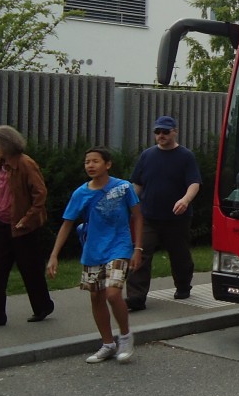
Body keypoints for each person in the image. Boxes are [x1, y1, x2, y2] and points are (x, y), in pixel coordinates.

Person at [47, 147, 143, 363]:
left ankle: (125, 336)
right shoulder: (80, 193)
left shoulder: (123, 188)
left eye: (95, 161)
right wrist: (54, 255)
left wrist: (138, 248)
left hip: (119, 247)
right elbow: (67, 224)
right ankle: (107, 343)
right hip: (92, 250)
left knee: (113, 293)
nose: (90, 165)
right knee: (96, 297)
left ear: (107, 164)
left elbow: (137, 217)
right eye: (87, 162)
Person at [0, 125, 54, 328]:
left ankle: (43, 306)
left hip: (22, 226)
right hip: (1, 224)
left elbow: (40, 194)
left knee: (30, 268)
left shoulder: (25, 163)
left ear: (7, 143)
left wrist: (27, 219)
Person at [126, 116, 202, 310]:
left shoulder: (186, 156)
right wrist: (129, 206)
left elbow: (194, 182)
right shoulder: (147, 156)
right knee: (140, 253)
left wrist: (185, 200)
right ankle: (136, 297)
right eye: (158, 132)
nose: (161, 135)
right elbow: (137, 184)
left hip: (177, 218)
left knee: (180, 256)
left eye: (165, 132)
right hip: (148, 217)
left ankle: (183, 285)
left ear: (174, 132)